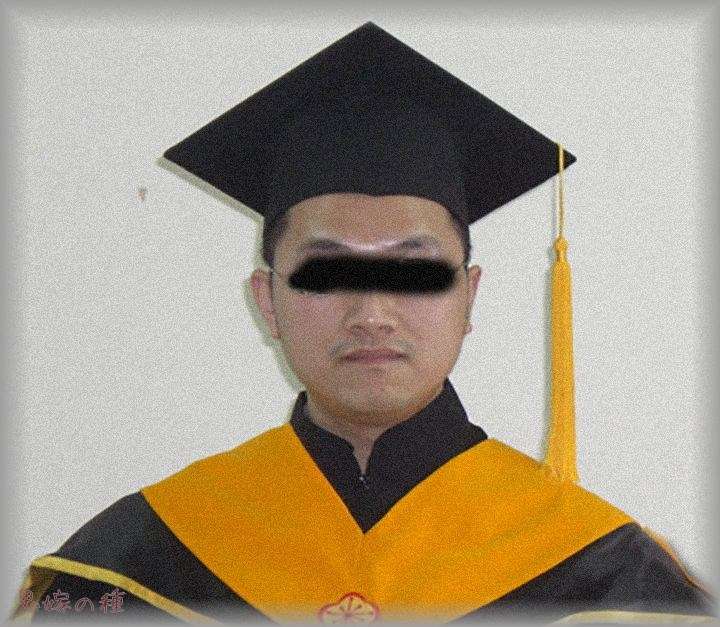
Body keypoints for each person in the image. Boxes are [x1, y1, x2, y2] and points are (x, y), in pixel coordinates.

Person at [11, 21, 714, 624]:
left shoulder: (607, 578)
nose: (372, 312)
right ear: (267, 300)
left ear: (469, 297)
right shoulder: (139, 565)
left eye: (415, 270)